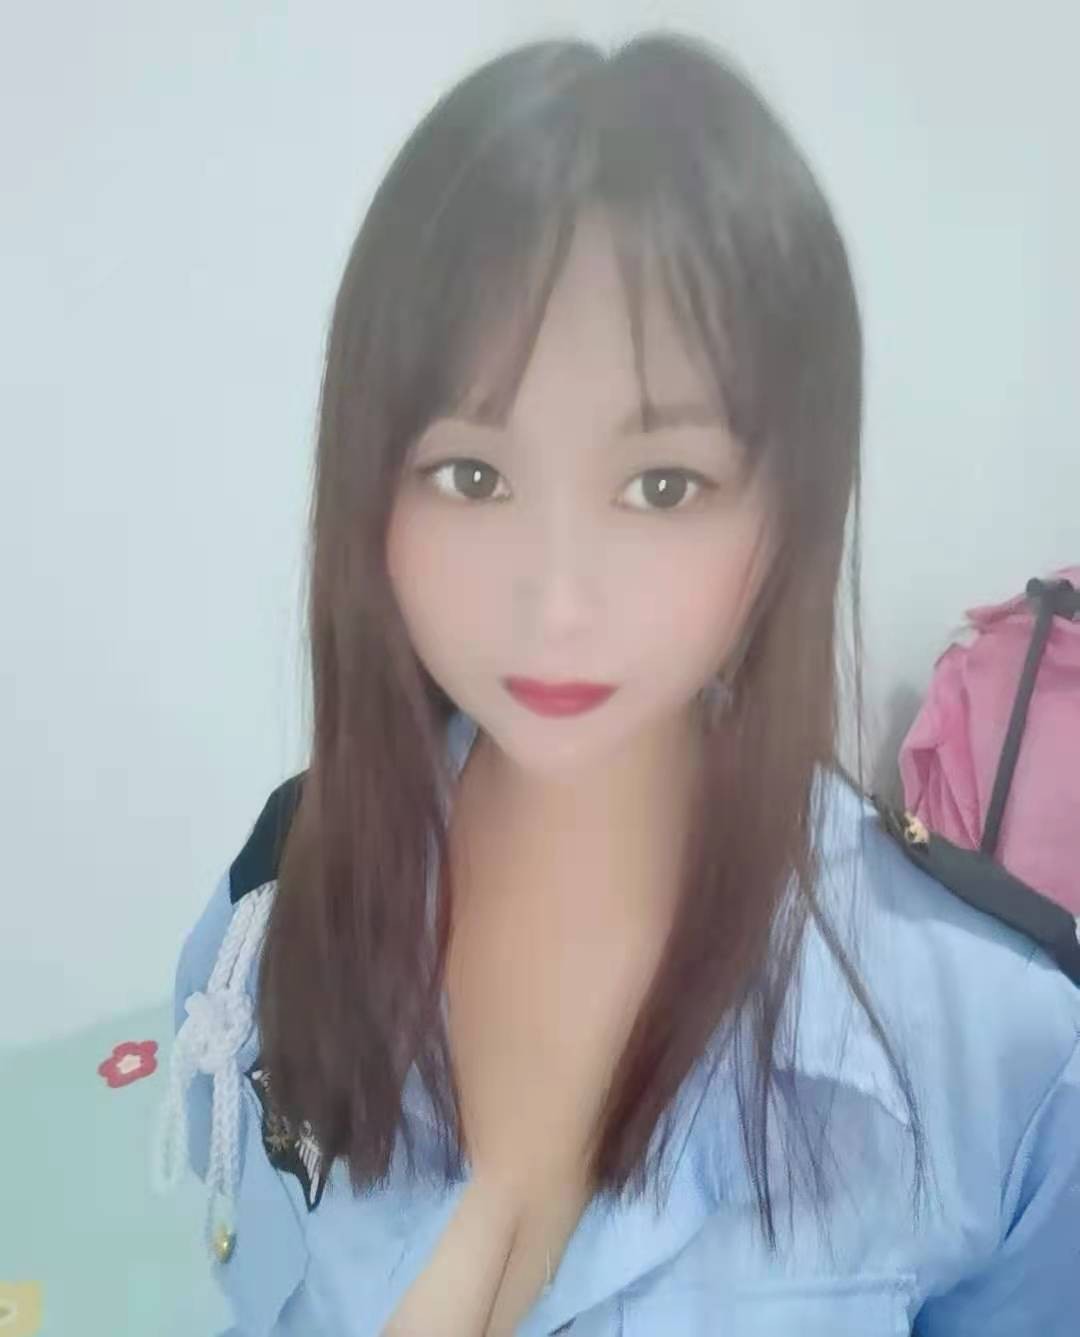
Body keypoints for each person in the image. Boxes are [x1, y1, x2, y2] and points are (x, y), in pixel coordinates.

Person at [152, 32, 1080, 1336]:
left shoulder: (1002, 1059)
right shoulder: (270, 915)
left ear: (788, 509)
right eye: (473, 476)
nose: (557, 600)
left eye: (662, 485)